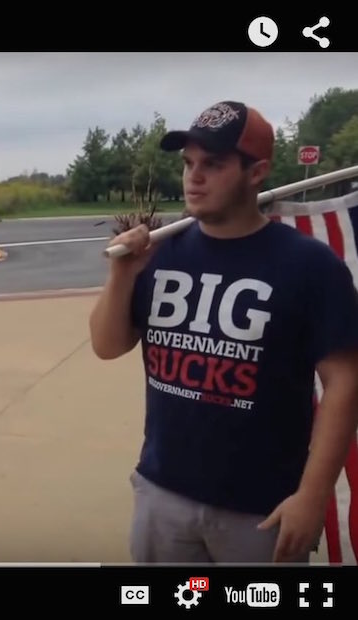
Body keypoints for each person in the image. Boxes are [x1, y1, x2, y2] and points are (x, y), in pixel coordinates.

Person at [89, 100, 358, 564]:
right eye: (189, 163)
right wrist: (122, 276)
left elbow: (344, 381)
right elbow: (107, 346)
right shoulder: (162, 252)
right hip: (162, 492)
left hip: (261, 509)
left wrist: (312, 496)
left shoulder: (310, 266)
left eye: (213, 164)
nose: (194, 177)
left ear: (257, 173)